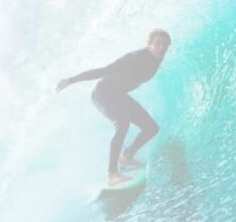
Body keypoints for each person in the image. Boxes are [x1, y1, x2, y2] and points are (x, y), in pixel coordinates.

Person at [56, 29, 171, 186]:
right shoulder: (134, 58)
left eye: (165, 45)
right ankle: (112, 174)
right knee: (122, 123)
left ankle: (127, 157)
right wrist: (70, 80)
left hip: (119, 96)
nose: (162, 47)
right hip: (103, 94)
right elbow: (104, 71)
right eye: (158, 43)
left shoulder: (155, 61)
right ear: (149, 44)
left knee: (151, 128)